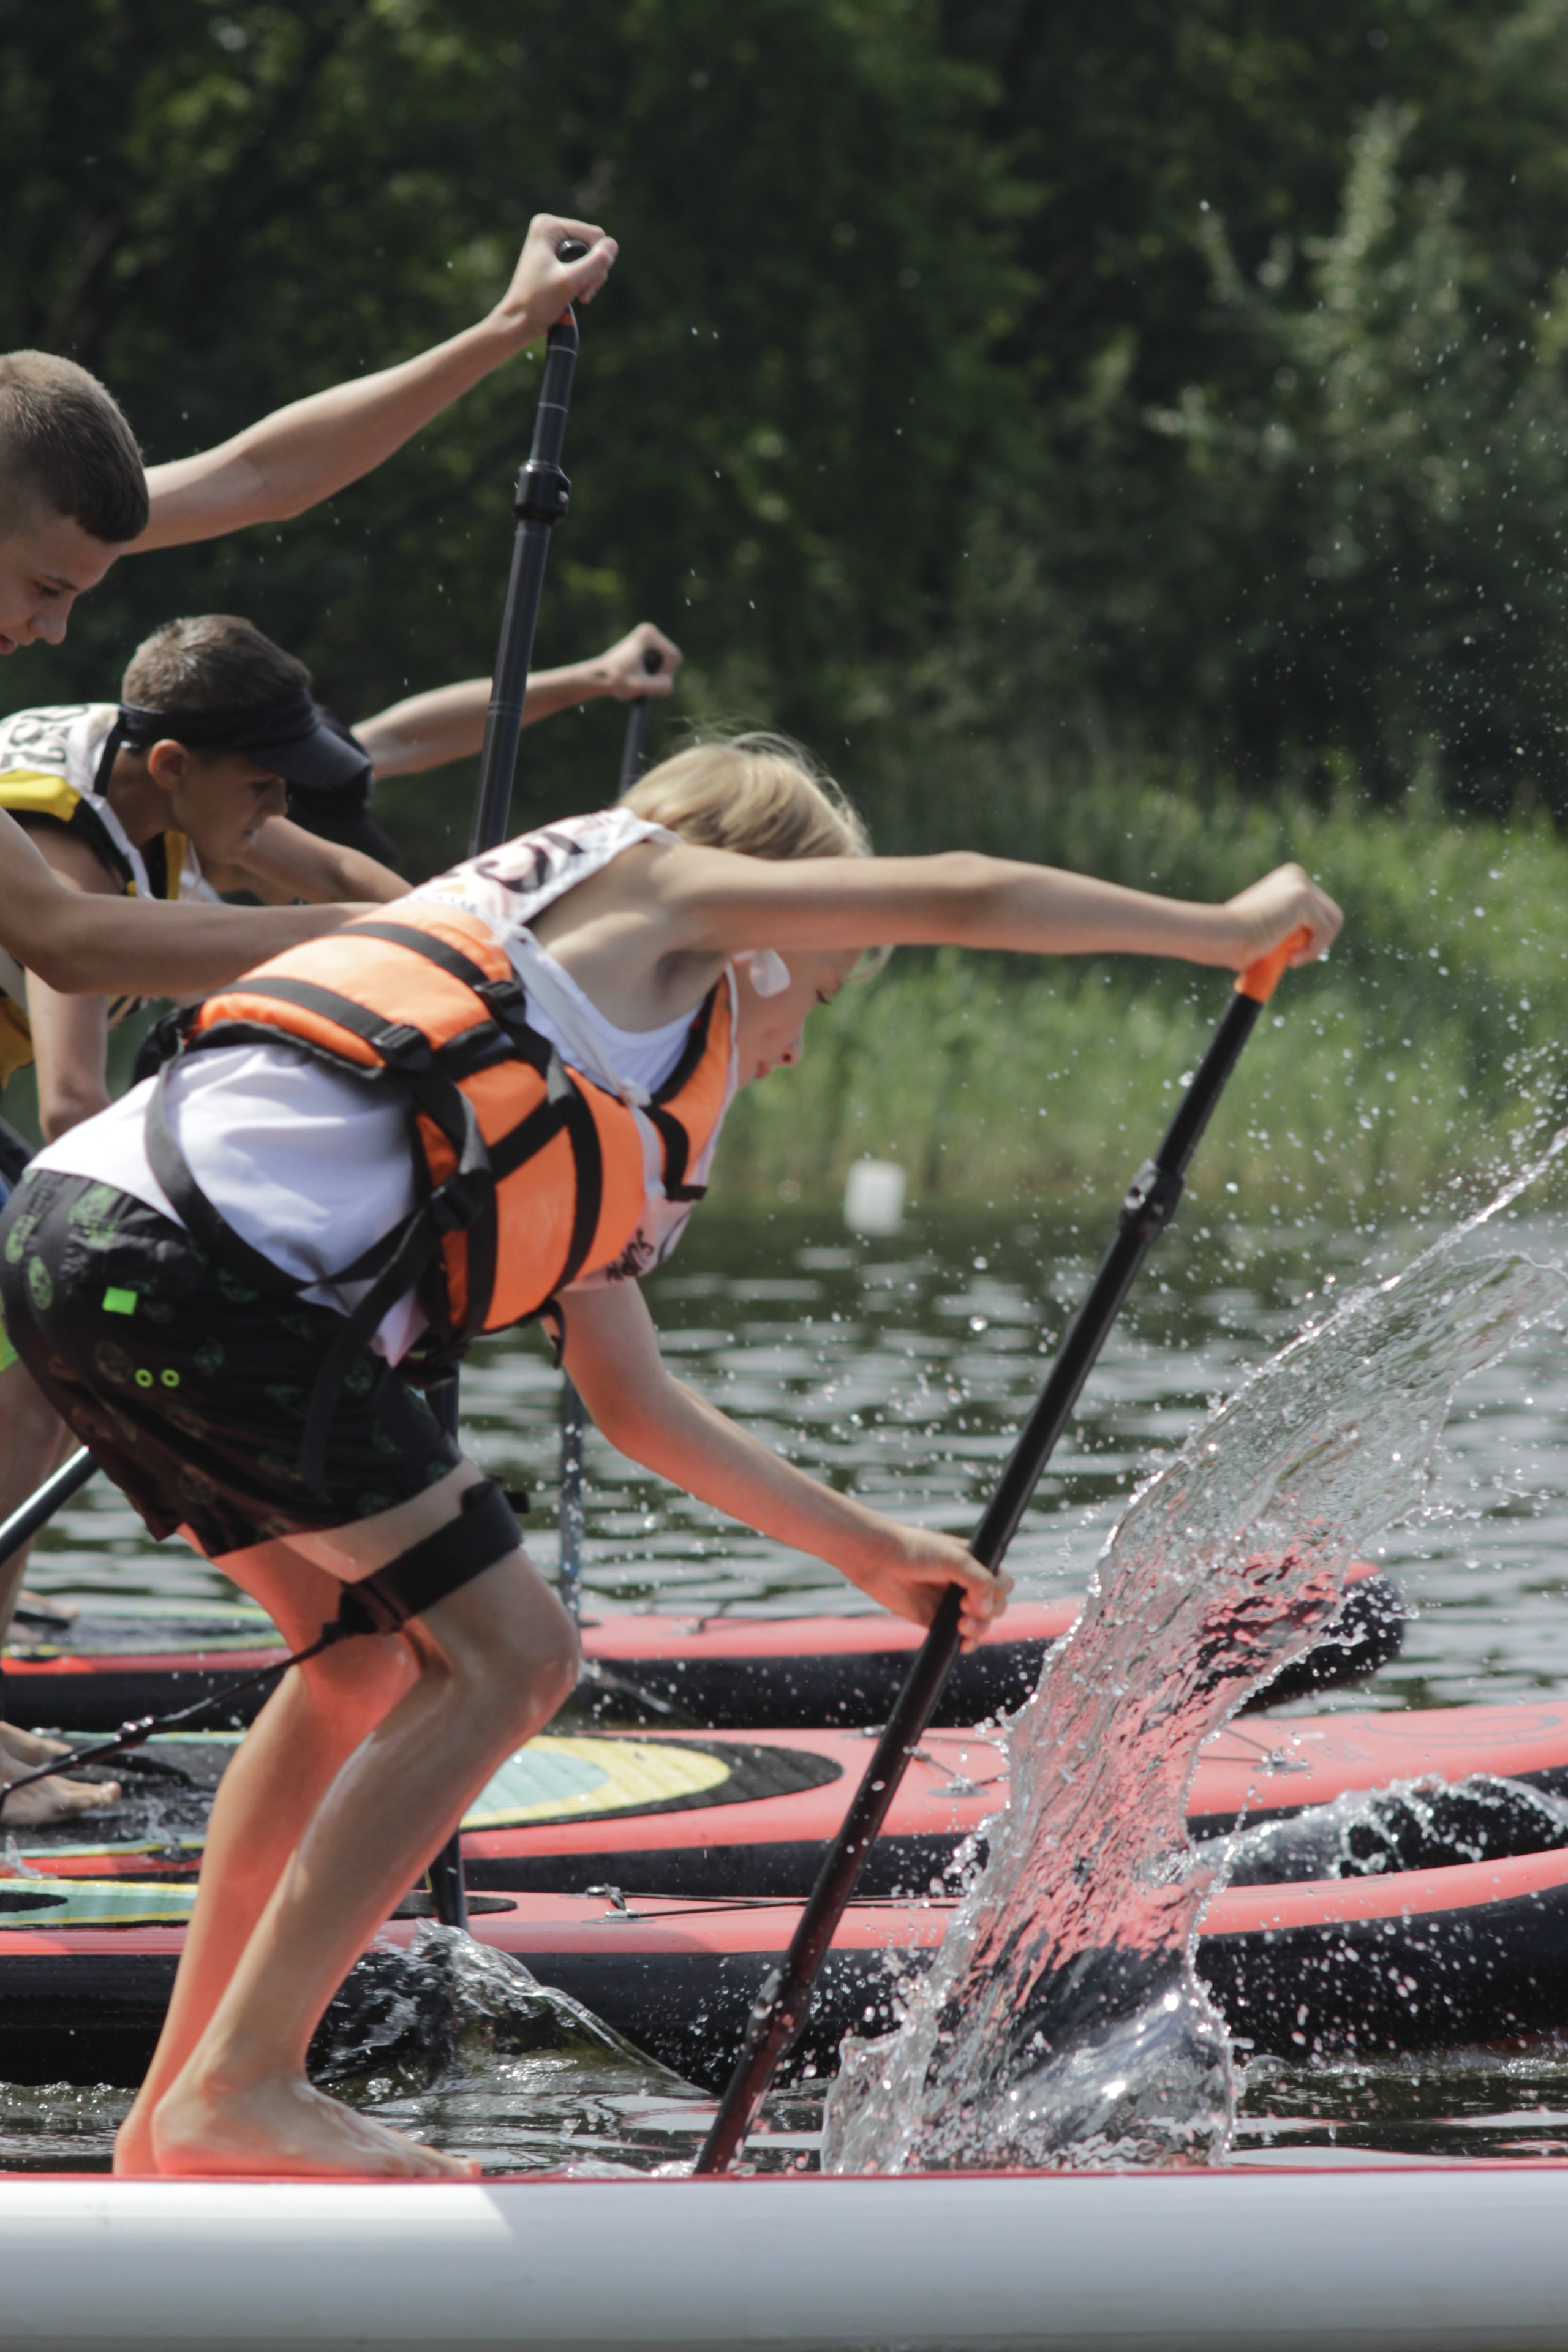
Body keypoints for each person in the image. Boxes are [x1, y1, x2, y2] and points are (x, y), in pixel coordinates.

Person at [0, 737, 1342, 2179]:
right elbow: (966, 890)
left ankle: (172, 2122)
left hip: (74, 1241)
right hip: (196, 1267)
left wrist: (866, 1547)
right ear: (776, 921)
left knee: (356, 1662)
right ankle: (244, 2084)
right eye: (823, 986)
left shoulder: (586, 1044)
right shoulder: (654, 893)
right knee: (515, 1658)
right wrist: (1219, 928)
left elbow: (632, 1400)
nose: (800, 1040)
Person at [0, 215, 617, 658]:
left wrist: (510, 325)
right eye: (46, 589)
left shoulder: (57, 527)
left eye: (68, 596)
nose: (54, 630)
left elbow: (263, 478)